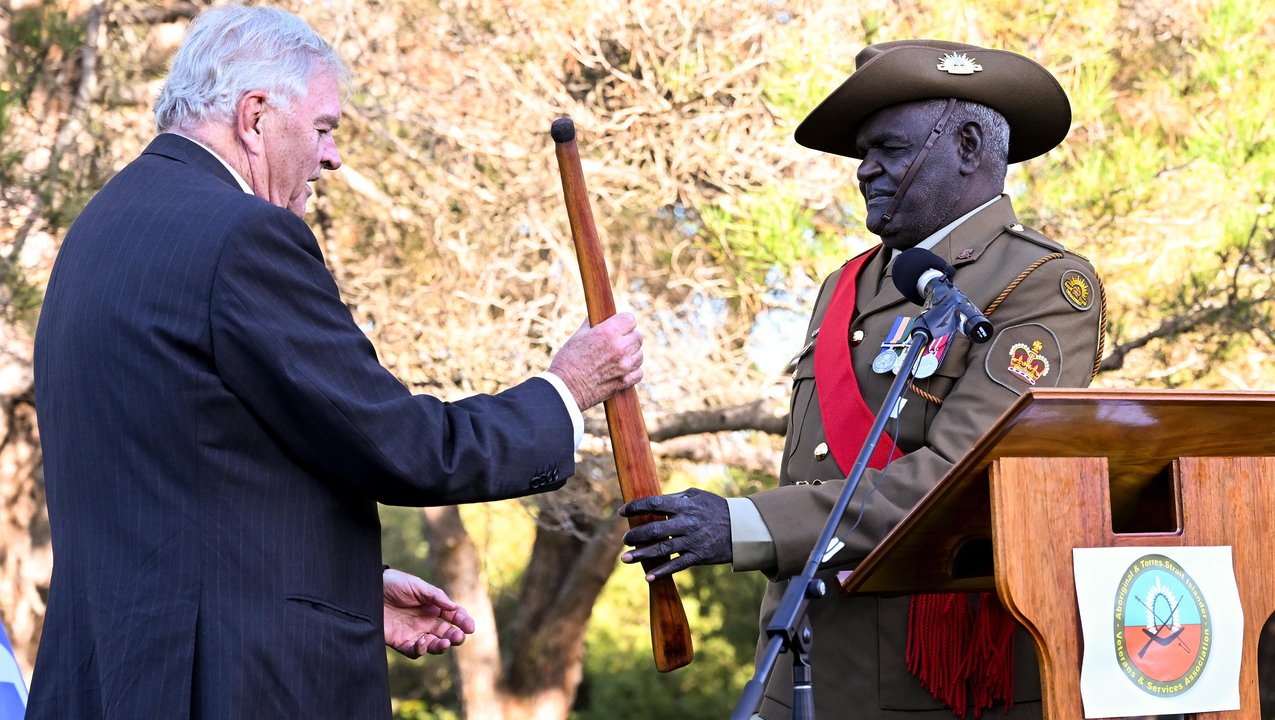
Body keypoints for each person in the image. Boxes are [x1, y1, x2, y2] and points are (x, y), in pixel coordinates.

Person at [27, 5, 643, 719]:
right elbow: (400, 446)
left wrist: (345, 586)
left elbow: (181, 484)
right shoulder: (240, 235)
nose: (333, 157)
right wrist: (565, 390)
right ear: (254, 116)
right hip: (229, 688)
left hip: (108, 682)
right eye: (323, 129)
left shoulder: (96, 232)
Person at [621, 40, 1106, 719]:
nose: (865, 170)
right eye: (861, 155)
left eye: (890, 149)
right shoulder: (845, 285)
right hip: (805, 658)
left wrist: (744, 524)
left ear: (967, 145)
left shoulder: (1041, 282)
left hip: (927, 676)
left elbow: (960, 477)